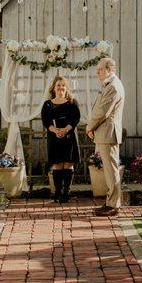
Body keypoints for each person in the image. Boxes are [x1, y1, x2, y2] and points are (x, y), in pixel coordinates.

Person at [87, 57, 125, 217]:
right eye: (97, 69)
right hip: (105, 133)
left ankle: (113, 205)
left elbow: (102, 111)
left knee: (111, 170)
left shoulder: (113, 87)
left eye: (101, 69)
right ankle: (110, 202)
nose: (98, 72)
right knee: (109, 170)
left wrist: (89, 127)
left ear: (111, 70)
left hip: (108, 133)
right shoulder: (110, 85)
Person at [41, 77, 81, 203]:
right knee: (57, 164)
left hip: (69, 136)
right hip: (54, 137)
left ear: (66, 88)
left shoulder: (72, 102)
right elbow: (45, 121)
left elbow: (76, 118)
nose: (61, 87)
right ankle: (57, 193)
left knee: (68, 163)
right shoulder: (48, 104)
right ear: (54, 87)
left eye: (63, 85)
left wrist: (65, 129)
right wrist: (55, 130)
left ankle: (66, 193)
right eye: (58, 85)